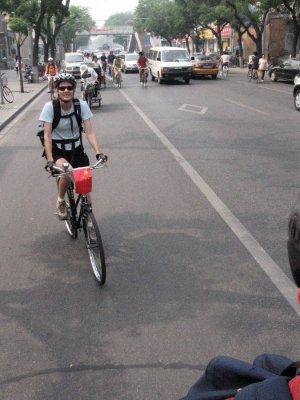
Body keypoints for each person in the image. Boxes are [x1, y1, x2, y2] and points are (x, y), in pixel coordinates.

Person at [38, 73, 106, 220]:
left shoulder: (81, 106)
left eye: (69, 87)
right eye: (62, 88)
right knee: (67, 172)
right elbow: (47, 136)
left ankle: (89, 219)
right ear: (56, 90)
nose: (66, 90)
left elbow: (89, 132)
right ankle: (61, 200)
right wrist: (50, 160)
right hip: (58, 150)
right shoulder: (50, 107)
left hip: (76, 149)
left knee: (85, 183)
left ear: (74, 89)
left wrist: (98, 153)